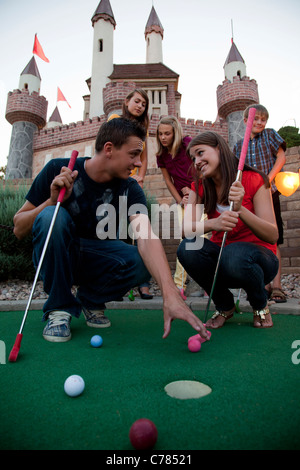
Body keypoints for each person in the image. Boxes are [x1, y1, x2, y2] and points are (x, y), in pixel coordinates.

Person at [13, 118, 208, 343]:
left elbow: (145, 235)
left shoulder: (130, 187)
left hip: (96, 258)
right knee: (51, 217)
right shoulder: (58, 169)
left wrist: (170, 293)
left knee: (145, 260)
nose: (137, 163)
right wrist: (52, 201)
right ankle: (59, 307)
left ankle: (91, 299)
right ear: (109, 149)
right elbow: (19, 228)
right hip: (58, 255)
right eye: (133, 154)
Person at [177, 131, 279, 329]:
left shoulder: (254, 179)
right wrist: (213, 224)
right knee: (187, 248)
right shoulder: (198, 187)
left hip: (260, 261)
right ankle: (225, 306)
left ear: (218, 148)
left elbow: (272, 234)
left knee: (234, 254)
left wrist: (240, 209)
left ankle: (260, 304)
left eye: (200, 153)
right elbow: (185, 230)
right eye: (193, 158)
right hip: (223, 261)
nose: (196, 161)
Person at [233, 104, 287, 303]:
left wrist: (268, 180)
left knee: (273, 238)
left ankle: (278, 286)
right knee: (255, 239)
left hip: (269, 194)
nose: (259, 123)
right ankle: (261, 286)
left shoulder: (270, 135)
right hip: (249, 197)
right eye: (255, 119)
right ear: (246, 121)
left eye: (263, 119)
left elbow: (281, 157)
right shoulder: (239, 146)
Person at [109, 88, 152, 299]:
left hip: (132, 184)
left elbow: (143, 159)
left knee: (140, 232)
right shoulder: (115, 119)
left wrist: (140, 179)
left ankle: (143, 284)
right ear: (127, 102)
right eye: (137, 101)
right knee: (116, 232)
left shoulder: (142, 129)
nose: (140, 106)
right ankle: (118, 284)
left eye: (143, 104)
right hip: (115, 182)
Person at [156, 116, 194, 298]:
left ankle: (208, 283)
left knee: (203, 239)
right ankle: (180, 285)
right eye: (160, 134)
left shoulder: (187, 144)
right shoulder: (161, 155)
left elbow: (202, 168)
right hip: (184, 201)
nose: (163, 137)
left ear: (175, 132)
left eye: (167, 134)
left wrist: (193, 191)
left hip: (201, 196)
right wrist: (180, 200)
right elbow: (168, 181)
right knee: (185, 239)